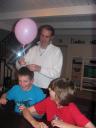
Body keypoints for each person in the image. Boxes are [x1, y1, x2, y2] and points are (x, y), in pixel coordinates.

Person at [22, 78, 95, 128]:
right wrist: (34, 122)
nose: (49, 89)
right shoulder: (49, 100)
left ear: (59, 94)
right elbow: (25, 110)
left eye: (52, 89)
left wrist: (66, 125)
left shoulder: (71, 108)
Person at [16, 25, 63, 91]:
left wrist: (39, 69)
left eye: (47, 37)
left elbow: (57, 74)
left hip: (47, 89)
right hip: (30, 87)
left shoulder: (56, 51)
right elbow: (21, 68)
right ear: (39, 35)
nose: (43, 39)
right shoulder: (33, 49)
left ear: (52, 37)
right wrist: (19, 62)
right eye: (42, 35)